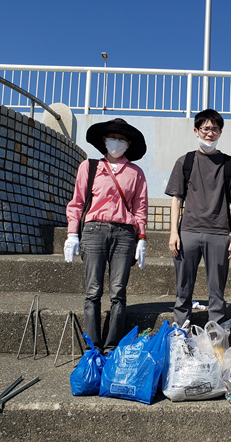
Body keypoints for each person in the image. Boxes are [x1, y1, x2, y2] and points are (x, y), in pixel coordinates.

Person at [64, 118, 148, 354]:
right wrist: (72, 233)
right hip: (94, 230)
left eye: (122, 139)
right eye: (113, 138)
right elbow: (77, 202)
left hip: (124, 233)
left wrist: (141, 237)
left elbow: (140, 208)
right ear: (104, 140)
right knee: (93, 291)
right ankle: (92, 347)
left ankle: (111, 347)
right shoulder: (89, 167)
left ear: (129, 144)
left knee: (118, 292)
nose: (117, 142)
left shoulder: (136, 173)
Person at [165, 109, 231, 326]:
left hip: (219, 233)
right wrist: (174, 232)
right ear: (196, 131)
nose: (210, 133)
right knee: (183, 289)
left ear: (221, 132)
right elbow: (176, 198)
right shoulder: (185, 162)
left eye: (215, 129)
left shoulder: (229, 164)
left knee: (217, 292)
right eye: (206, 129)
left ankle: (216, 340)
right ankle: (180, 334)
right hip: (188, 232)